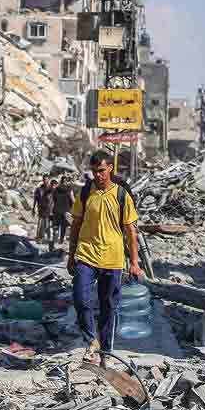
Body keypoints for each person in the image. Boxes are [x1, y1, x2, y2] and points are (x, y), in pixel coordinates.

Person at [67, 150, 141, 363]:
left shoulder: (121, 194)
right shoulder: (85, 193)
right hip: (86, 255)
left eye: (101, 170)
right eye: (93, 171)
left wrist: (134, 263)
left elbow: (130, 231)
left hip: (113, 258)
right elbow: (76, 225)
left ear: (110, 168)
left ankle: (105, 352)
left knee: (108, 307)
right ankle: (92, 341)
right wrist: (71, 256)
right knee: (81, 299)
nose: (97, 175)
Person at [52, 176, 74, 244]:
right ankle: (61, 240)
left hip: (57, 209)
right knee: (63, 226)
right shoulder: (69, 189)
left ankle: (54, 238)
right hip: (66, 210)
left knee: (56, 225)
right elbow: (73, 199)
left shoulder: (56, 189)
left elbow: (54, 199)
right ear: (66, 181)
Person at [32, 174, 52, 242]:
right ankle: (39, 237)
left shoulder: (51, 189)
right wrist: (33, 208)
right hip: (41, 208)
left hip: (48, 209)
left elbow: (53, 199)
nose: (45, 181)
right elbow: (35, 199)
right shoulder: (39, 189)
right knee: (40, 223)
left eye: (46, 179)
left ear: (48, 180)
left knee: (46, 224)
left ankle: (45, 237)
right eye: (44, 179)